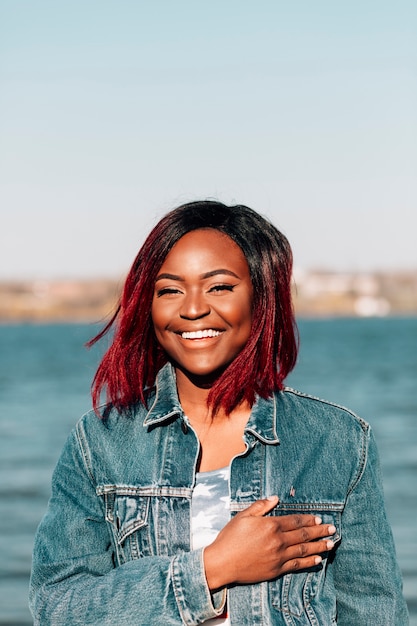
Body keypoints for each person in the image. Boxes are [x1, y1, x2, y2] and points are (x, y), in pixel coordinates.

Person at [29, 200, 408, 625]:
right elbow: (56, 606)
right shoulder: (99, 441)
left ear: (261, 296)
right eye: (170, 289)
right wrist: (211, 569)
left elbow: (377, 613)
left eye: (219, 287)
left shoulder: (337, 440)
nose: (192, 309)